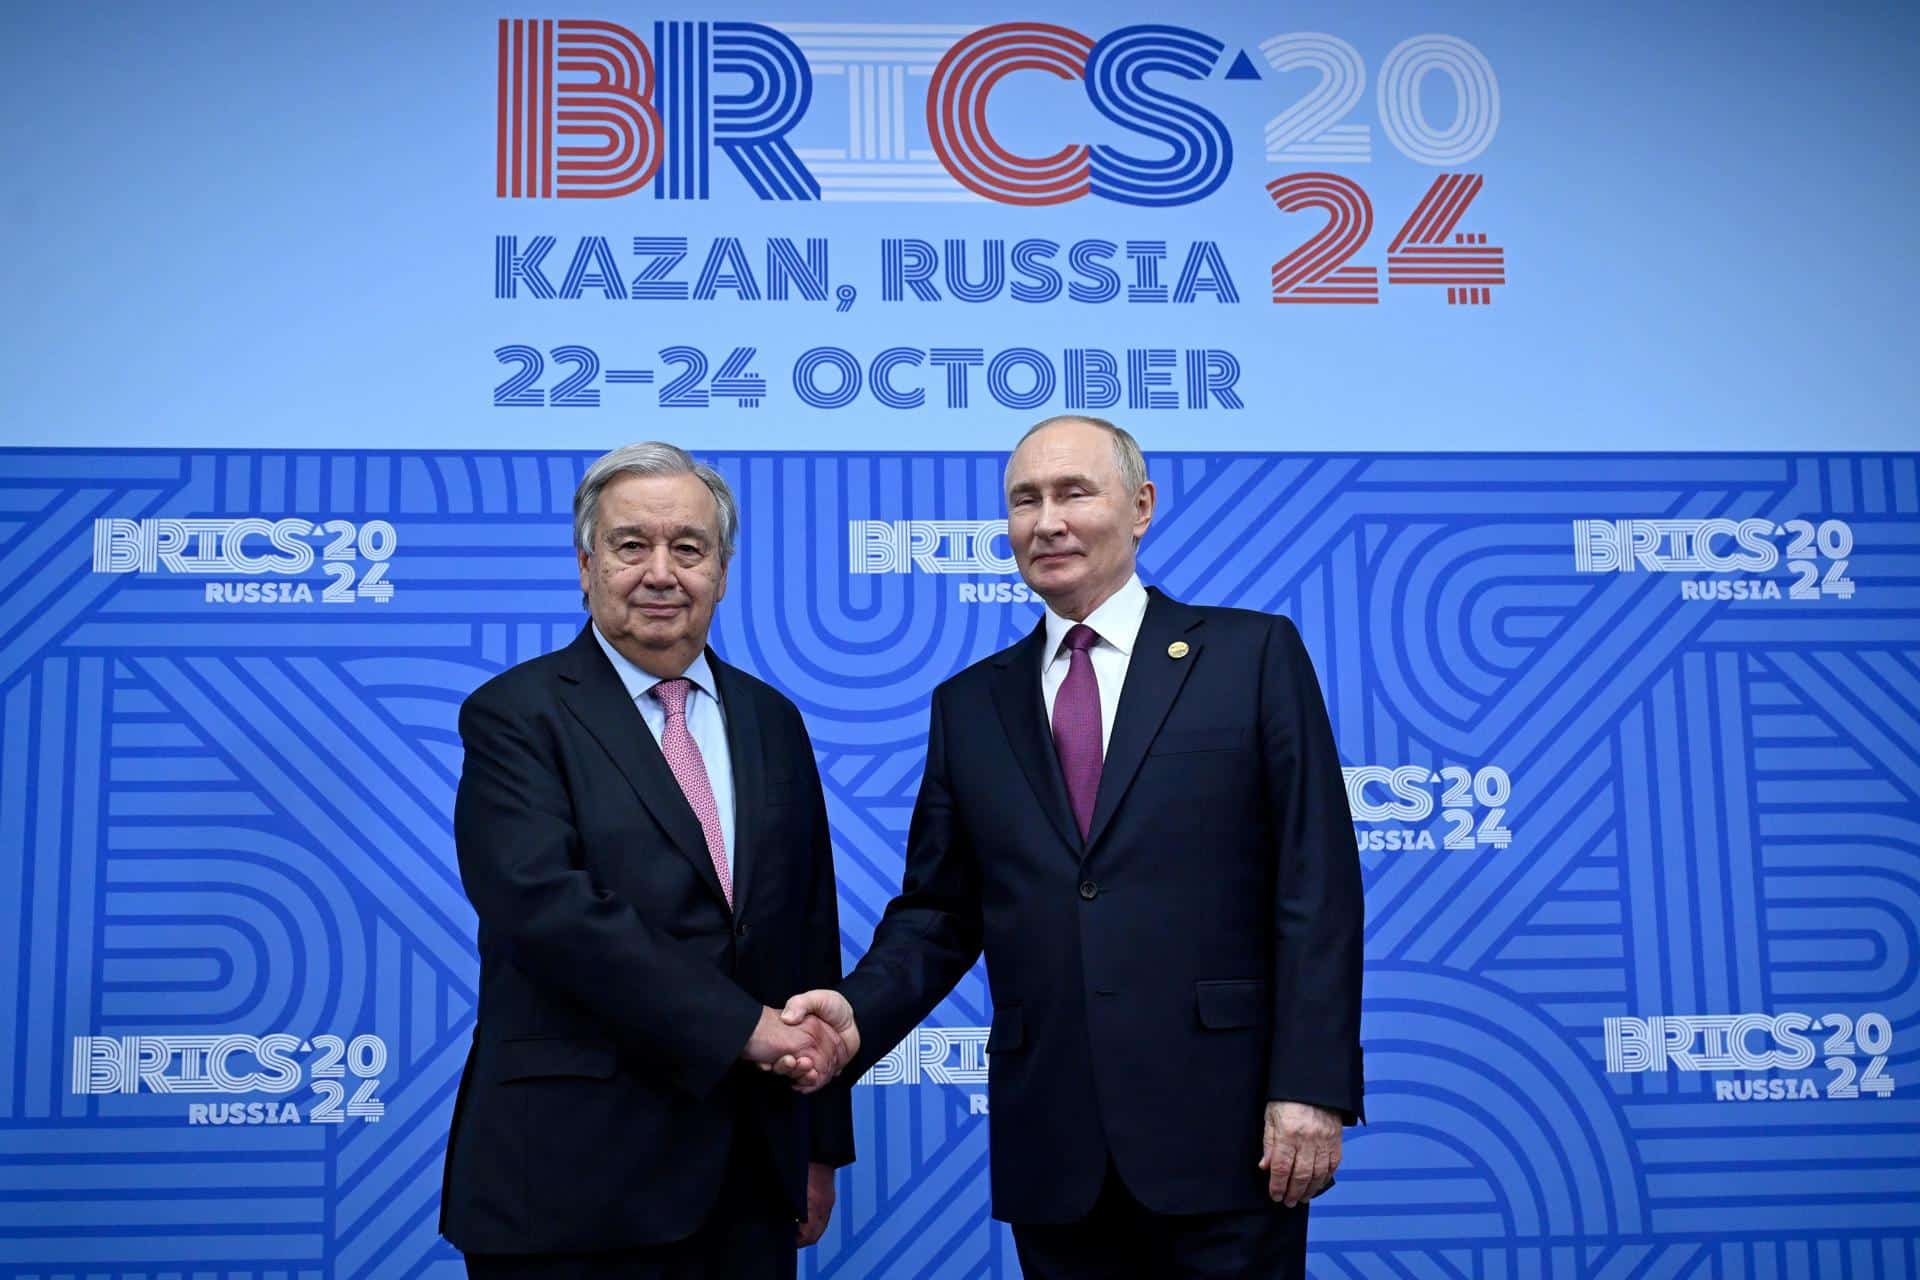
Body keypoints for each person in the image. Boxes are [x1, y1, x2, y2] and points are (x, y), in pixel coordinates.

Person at [782, 416, 1365, 1278]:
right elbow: (940, 912)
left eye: (1072, 493)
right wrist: (857, 1013)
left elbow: (1316, 885)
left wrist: (1311, 1088)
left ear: (1140, 507)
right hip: (1055, 1144)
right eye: (1025, 500)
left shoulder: (1251, 655)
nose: (1046, 521)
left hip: (1230, 1133)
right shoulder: (970, 705)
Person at [440, 442, 855, 1279]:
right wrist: (748, 1030)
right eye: (632, 545)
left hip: (747, 1178)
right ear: (587, 564)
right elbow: (548, 912)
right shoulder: (515, 716)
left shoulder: (774, 721)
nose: (660, 572)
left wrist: (818, 1146)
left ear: (723, 571)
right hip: (568, 1183)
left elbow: (809, 934)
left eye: (689, 548)